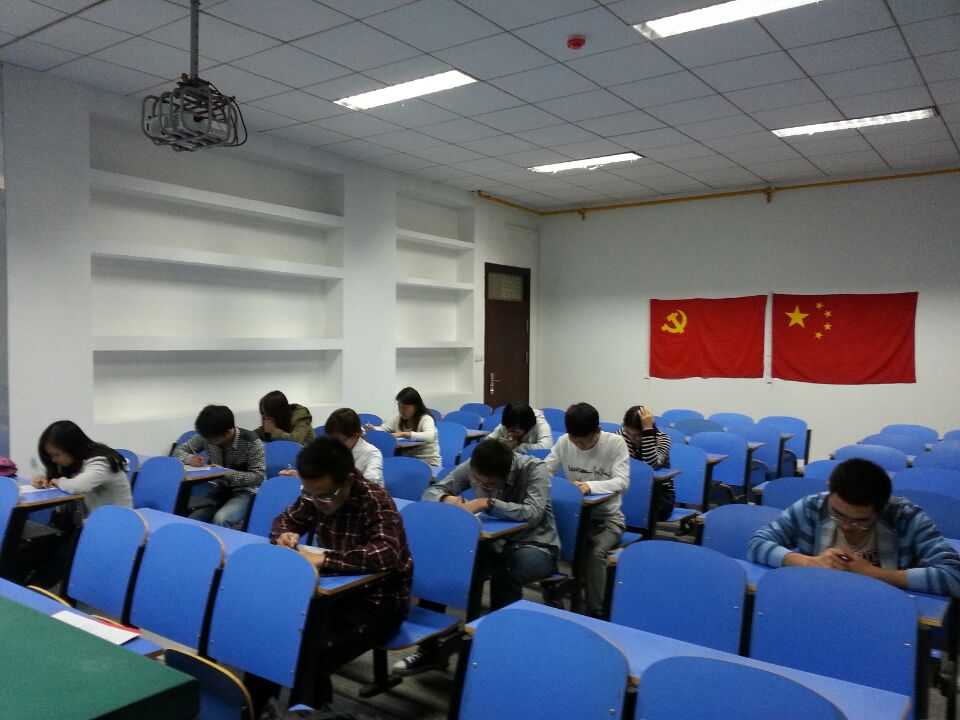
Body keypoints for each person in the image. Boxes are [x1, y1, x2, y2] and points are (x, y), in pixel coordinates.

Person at [256, 437, 412, 712]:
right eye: (310, 494)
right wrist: (283, 535)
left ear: (348, 479)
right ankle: (256, 710)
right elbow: (286, 519)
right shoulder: (316, 493)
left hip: (379, 603)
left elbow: (386, 553)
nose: (318, 502)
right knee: (271, 636)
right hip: (334, 594)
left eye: (326, 496)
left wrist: (325, 558)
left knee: (314, 655)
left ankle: (311, 713)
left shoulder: (375, 500)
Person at [393, 439, 559, 676]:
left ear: (507, 473)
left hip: (536, 544)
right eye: (478, 482)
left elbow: (533, 513)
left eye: (489, 484)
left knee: (506, 574)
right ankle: (431, 649)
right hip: (493, 544)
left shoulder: (534, 469)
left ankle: (500, 652)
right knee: (444, 565)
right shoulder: (476, 464)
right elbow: (432, 490)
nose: (481, 485)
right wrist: (445, 499)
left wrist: (487, 502)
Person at [748, 458, 960, 597]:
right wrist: (809, 562)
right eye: (837, 514)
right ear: (830, 491)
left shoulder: (906, 517)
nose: (846, 526)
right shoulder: (813, 507)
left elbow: (954, 575)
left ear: (882, 507)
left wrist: (873, 573)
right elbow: (757, 544)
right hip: (818, 598)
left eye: (860, 521)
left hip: (881, 606)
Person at [544, 402, 629, 617]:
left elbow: (622, 482)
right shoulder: (564, 442)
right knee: (545, 540)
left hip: (607, 518)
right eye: (576, 440)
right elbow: (544, 470)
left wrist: (589, 486)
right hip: (575, 517)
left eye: (586, 440)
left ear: (597, 430)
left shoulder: (615, 444)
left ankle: (597, 610)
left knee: (594, 552)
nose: (580, 445)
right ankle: (553, 593)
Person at [173, 404, 265, 529]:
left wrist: (227, 473)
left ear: (227, 432)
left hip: (246, 491)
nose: (208, 442)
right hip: (220, 489)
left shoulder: (252, 442)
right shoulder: (208, 435)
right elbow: (178, 451)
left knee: (221, 519)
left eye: (212, 440)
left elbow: (259, 476)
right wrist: (190, 458)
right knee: (194, 519)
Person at [32, 420, 132, 516]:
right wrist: (43, 479)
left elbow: (78, 486)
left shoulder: (102, 462)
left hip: (117, 522)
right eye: (50, 456)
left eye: (56, 455)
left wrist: (58, 482)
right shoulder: (74, 463)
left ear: (71, 447)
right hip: (96, 520)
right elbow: (62, 480)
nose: (53, 460)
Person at [618, 405, 674, 521]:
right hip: (628, 488)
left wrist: (647, 432)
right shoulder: (621, 435)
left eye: (638, 435)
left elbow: (651, 466)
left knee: (647, 511)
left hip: (658, 491)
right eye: (628, 433)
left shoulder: (663, 439)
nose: (632, 438)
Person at [366, 387, 440, 467]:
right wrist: (374, 429)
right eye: (399, 407)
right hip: (408, 461)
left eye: (405, 408)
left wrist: (403, 434)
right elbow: (384, 429)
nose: (401, 411)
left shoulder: (426, 418)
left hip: (428, 462)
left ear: (416, 406)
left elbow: (429, 436)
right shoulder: (398, 417)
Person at [324, 408, 383, 484]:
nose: (335, 445)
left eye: (340, 440)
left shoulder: (372, 453)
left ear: (355, 435)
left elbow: (370, 484)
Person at [485, 401, 553, 452]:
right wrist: (501, 445)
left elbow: (546, 447)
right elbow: (486, 442)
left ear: (526, 426)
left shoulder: (541, 426)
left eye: (514, 430)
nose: (511, 433)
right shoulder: (507, 423)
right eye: (509, 429)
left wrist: (517, 447)